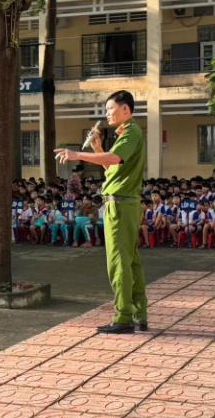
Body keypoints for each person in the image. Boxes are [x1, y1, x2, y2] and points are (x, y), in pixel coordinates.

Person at [54, 90, 147, 335]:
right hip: (125, 203)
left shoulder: (130, 132)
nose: (107, 114)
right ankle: (139, 313)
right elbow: (111, 166)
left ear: (125, 109)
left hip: (120, 204)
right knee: (130, 261)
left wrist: (77, 154)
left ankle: (123, 316)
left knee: (118, 263)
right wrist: (97, 146)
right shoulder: (128, 134)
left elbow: (115, 159)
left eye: (110, 109)